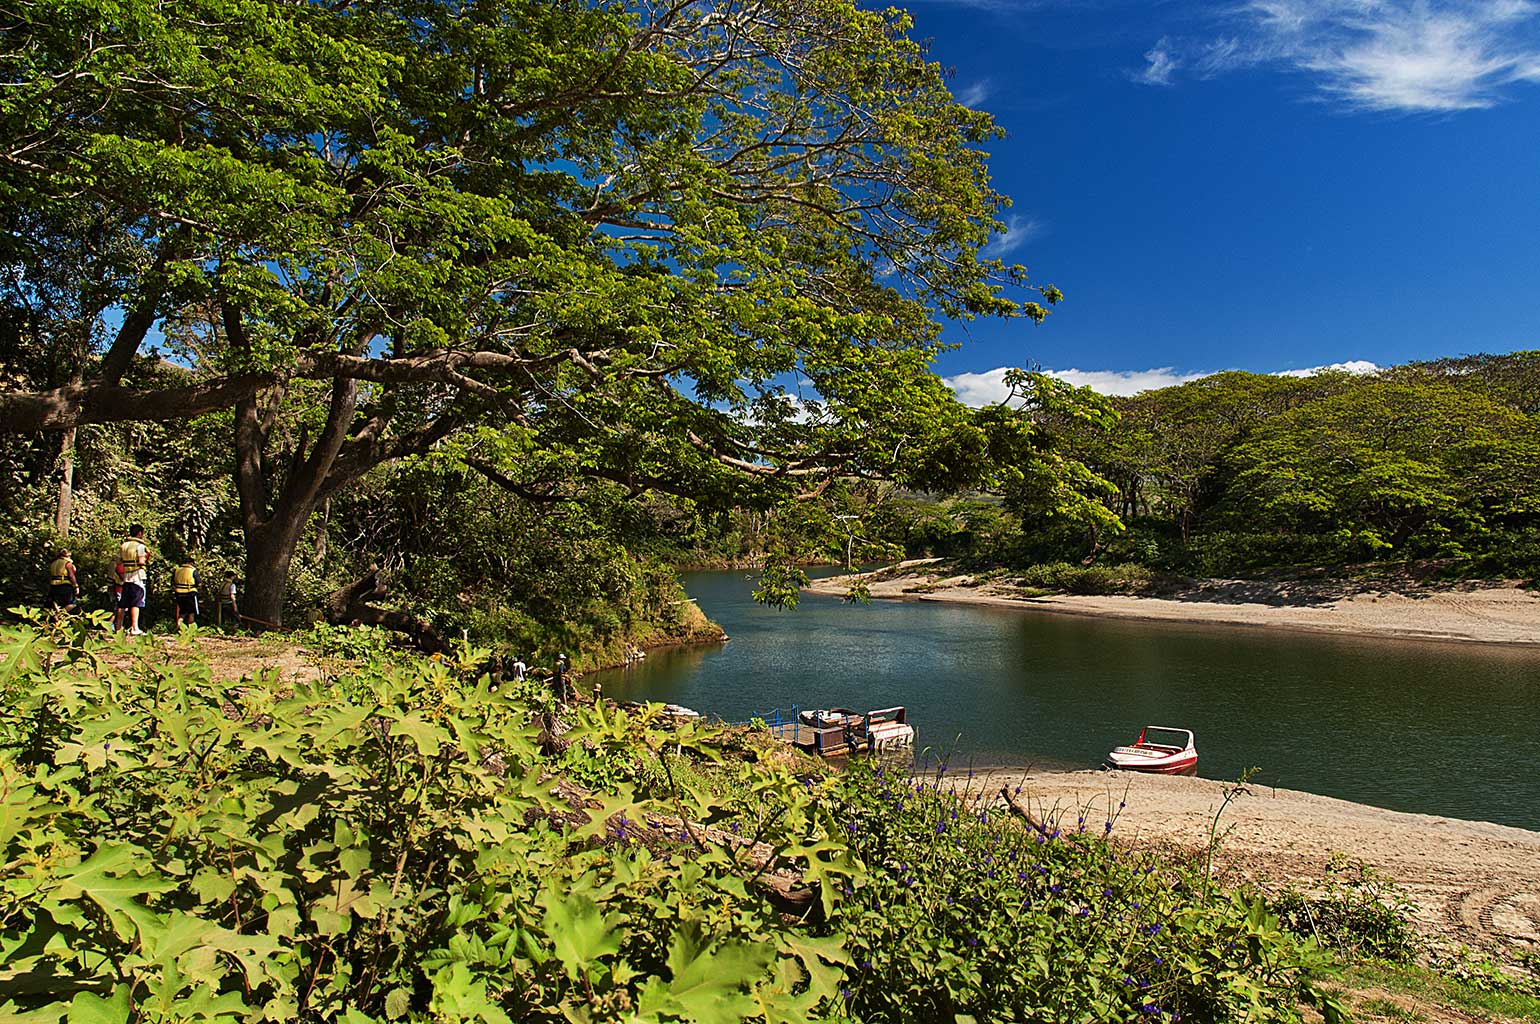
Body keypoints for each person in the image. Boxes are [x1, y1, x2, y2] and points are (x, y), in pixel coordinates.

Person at [117, 524, 150, 635]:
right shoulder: (140, 546)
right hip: (137, 577)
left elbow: (119, 562)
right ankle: (134, 627)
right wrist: (146, 559)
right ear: (140, 533)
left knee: (123, 604)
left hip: (126, 578)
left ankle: (118, 627)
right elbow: (141, 561)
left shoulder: (123, 546)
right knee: (136, 603)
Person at [172, 558, 201, 627]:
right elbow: (199, 583)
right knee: (191, 612)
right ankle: (191, 629)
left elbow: (173, 581)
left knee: (182, 612)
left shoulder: (177, 570)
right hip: (190, 593)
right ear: (191, 563)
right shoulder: (193, 570)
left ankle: (178, 627)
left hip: (178, 593)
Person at [109, 562, 125, 631]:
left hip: (120, 589)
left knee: (117, 609)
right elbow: (123, 578)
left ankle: (111, 625)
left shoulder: (120, 566)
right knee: (120, 609)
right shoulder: (120, 567)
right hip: (119, 589)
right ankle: (117, 627)